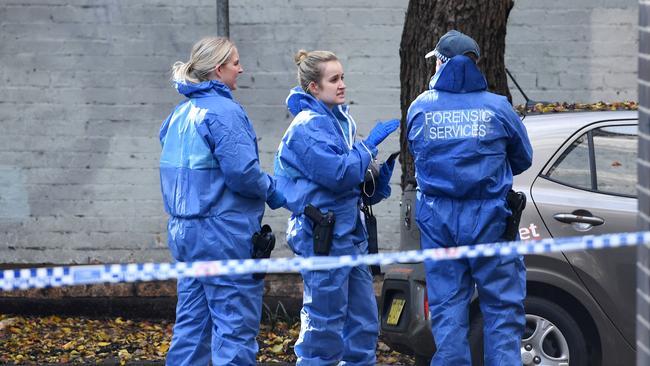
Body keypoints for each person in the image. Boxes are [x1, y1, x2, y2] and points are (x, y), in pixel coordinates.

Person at [406, 30, 533, 365]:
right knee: (502, 313)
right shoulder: (498, 108)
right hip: (491, 221)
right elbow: (523, 158)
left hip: (438, 222)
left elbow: (417, 154)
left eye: (436, 62)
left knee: (448, 313)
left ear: (444, 63)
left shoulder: (420, 108)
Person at [159, 36, 286, 366]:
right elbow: (243, 174)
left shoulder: (180, 114)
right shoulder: (225, 113)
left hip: (184, 234)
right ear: (218, 70)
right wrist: (277, 191)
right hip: (223, 235)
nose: (241, 69)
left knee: (192, 328)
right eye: (235, 64)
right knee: (234, 329)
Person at [274, 49, 399, 365]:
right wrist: (368, 147)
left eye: (342, 77)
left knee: (363, 323)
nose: (342, 84)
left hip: (349, 236)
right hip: (325, 239)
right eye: (334, 79)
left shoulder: (339, 121)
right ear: (314, 87)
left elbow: (351, 180)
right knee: (323, 329)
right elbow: (339, 174)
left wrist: (376, 177)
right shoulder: (307, 126)